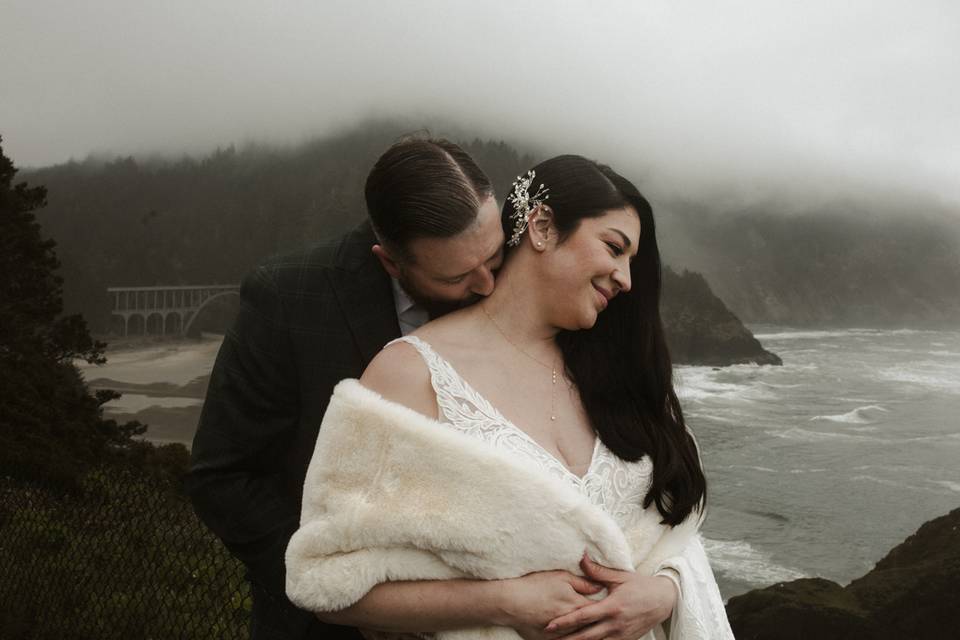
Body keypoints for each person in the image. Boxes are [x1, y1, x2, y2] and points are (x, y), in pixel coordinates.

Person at [285, 155, 734, 639]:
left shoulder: (626, 377)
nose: (626, 278)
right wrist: (503, 602)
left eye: (631, 262)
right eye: (614, 248)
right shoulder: (409, 374)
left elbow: (676, 528)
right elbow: (324, 580)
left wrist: (666, 590)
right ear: (541, 225)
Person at [187, 137, 507, 640]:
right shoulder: (287, 298)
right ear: (390, 262)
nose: (489, 285)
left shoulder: (510, 279)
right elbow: (222, 477)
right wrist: (338, 590)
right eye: (460, 275)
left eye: (493, 255)